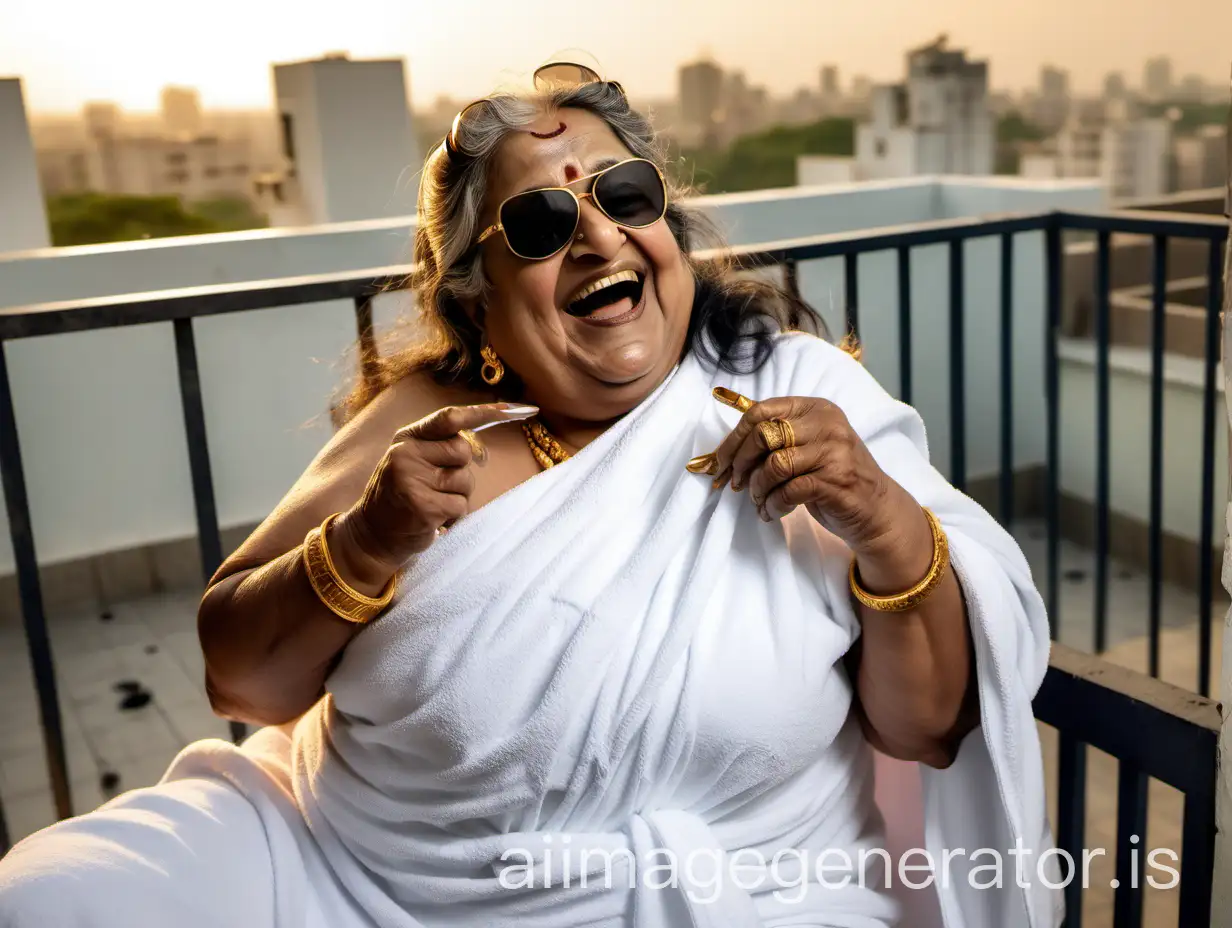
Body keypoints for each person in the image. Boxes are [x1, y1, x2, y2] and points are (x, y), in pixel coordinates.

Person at [0, 64, 1061, 928]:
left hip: (755, 894)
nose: (597, 236)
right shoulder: (424, 415)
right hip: (369, 885)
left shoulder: (796, 390)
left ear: (664, 230)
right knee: (50, 898)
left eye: (623, 196)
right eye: (543, 223)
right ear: (476, 296)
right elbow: (241, 679)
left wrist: (877, 512)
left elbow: (922, 728)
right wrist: (367, 541)